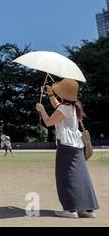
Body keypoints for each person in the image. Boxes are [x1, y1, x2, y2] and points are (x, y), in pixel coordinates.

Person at [36, 78, 99, 218]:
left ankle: (70, 210)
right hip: (77, 146)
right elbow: (58, 107)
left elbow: (48, 122)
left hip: (66, 146)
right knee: (81, 177)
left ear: (63, 93)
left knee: (66, 177)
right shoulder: (74, 105)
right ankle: (87, 209)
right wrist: (51, 95)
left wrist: (42, 110)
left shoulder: (65, 108)